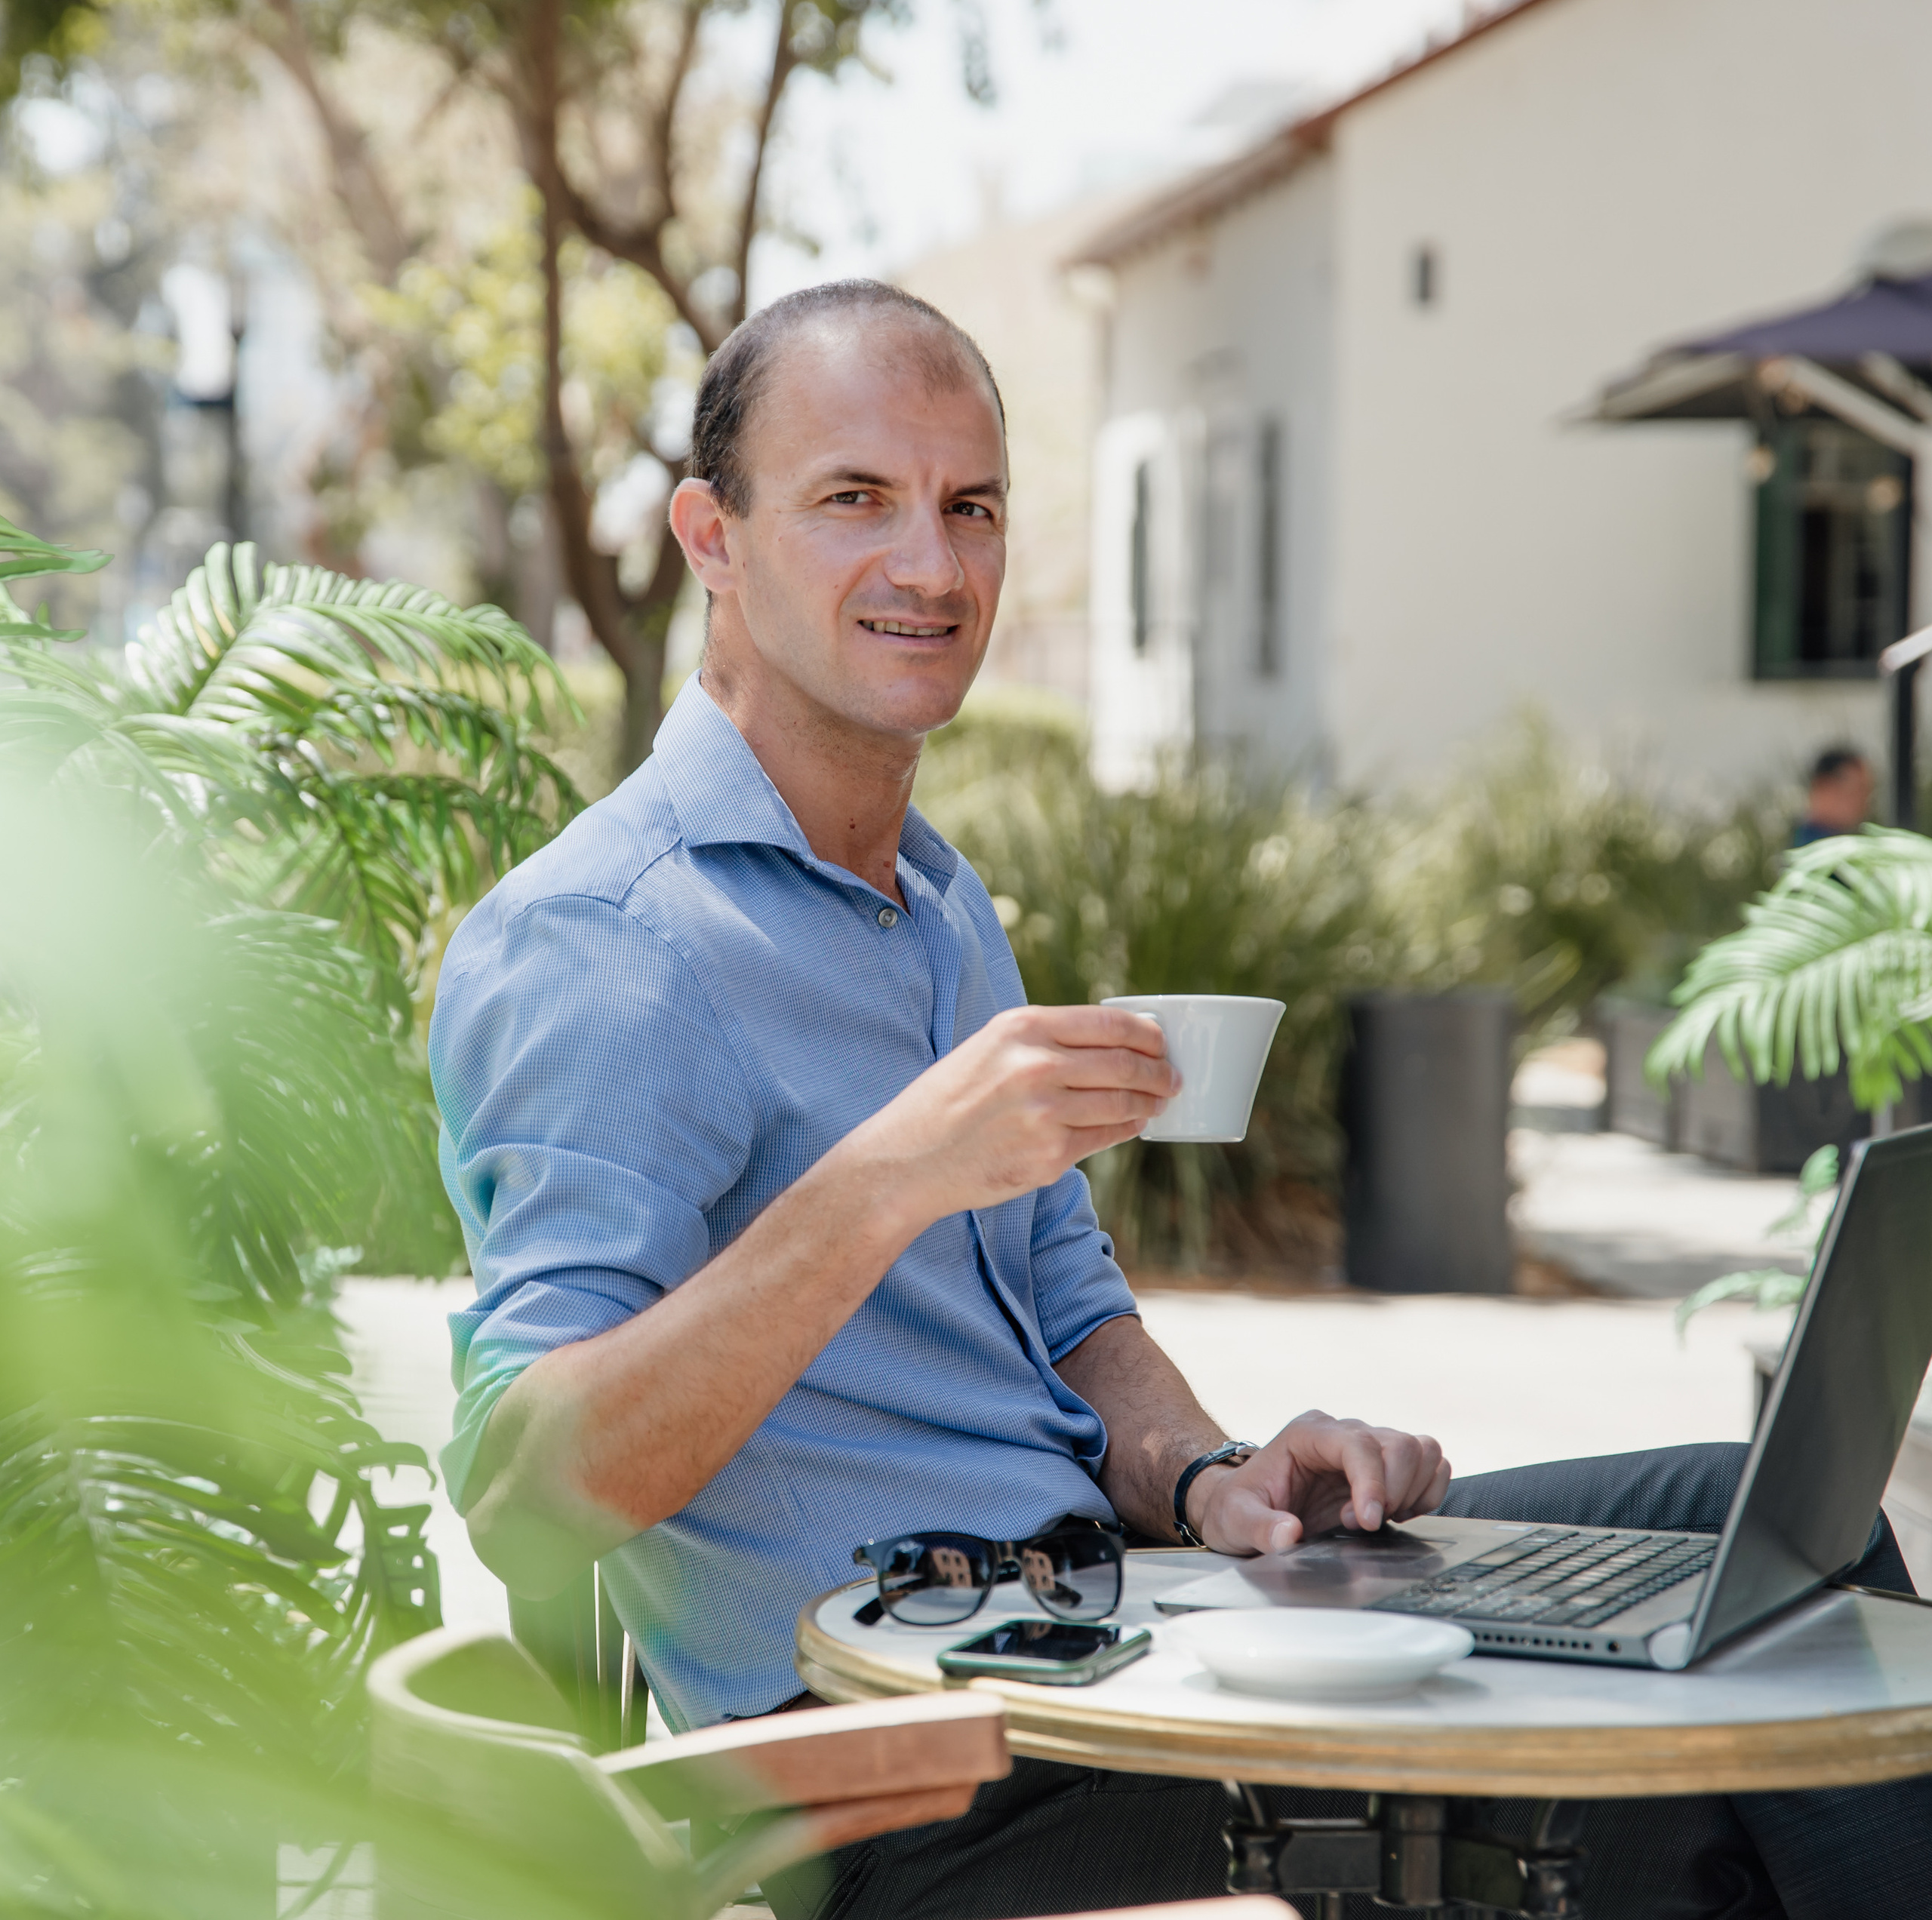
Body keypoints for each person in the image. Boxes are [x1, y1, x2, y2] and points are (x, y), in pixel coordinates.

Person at [429, 281, 1929, 1920]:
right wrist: (885, 1179)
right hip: (915, 1782)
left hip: (1118, 1627)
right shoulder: (609, 938)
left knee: (1752, 1534)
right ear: (711, 537)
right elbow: (527, 1496)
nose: (932, 567)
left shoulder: (937, 903)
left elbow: (1074, 1313)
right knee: (1669, 1786)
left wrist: (1216, 1475)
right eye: (854, 499)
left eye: (970, 506)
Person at [1791, 746, 1873, 848]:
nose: (1864, 801)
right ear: (1823, 785)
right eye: (1856, 790)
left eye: (1866, 792)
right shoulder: (1817, 849)